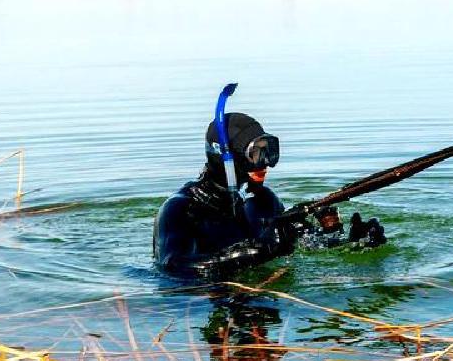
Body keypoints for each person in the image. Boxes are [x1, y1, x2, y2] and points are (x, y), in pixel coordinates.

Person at [153, 99, 386, 277]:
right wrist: (259, 251)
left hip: (264, 294)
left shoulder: (263, 202)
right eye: (255, 154)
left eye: (269, 151)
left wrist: (350, 241)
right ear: (226, 158)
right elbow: (173, 267)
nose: (265, 163)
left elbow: (309, 248)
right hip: (200, 306)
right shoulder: (180, 209)